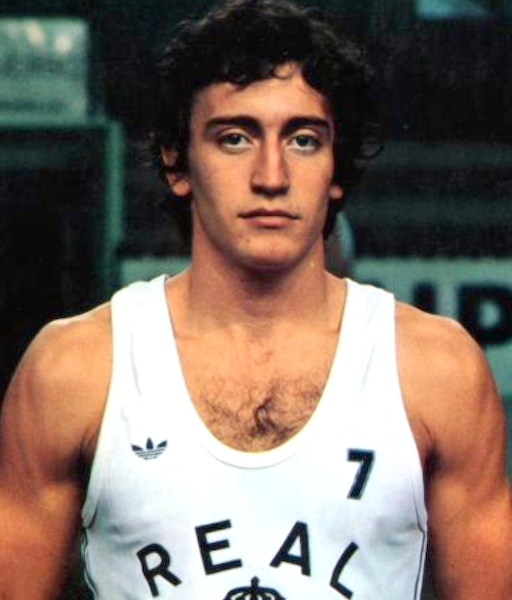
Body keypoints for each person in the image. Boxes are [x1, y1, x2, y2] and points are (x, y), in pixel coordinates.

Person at [1, 0, 511, 598]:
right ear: (176, 161)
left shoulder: (436, 371)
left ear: (336, 169)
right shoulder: (75, 370)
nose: (272, 176)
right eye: (235, 138)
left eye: (303, 140)